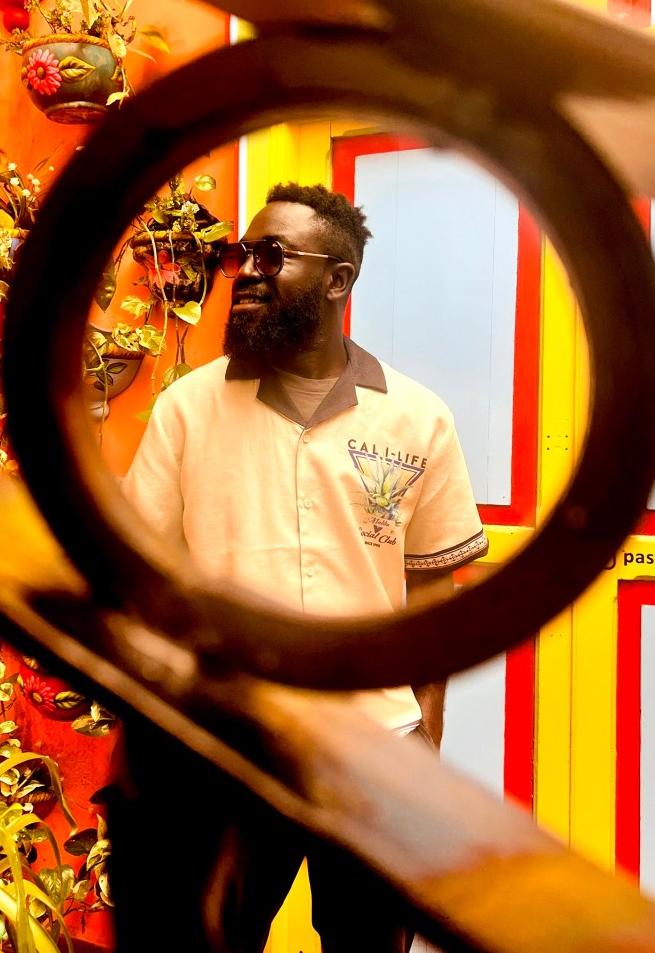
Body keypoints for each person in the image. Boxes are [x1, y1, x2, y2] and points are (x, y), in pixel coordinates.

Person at [120, 182, 488, 953]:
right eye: (241, 256)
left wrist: (425, 739)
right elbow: (135, 574)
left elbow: (431, 588)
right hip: (226, 746)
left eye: (272, 255)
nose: (246, 272)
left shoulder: (416, 418)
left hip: (374, 752)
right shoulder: (188, 409)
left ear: (338, 279)